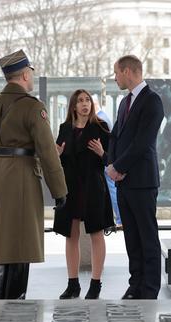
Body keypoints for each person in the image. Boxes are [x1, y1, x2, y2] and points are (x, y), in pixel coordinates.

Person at [0, 49, 67, 299]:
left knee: (2, 240)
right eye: (31, 73)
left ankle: (3, 298)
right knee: (21, 240)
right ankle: (16, 299)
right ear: (25, 74)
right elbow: (47, 152)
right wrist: (59, 191)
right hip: (22, 175)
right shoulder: (33, 107)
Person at [107, 55, 164, 300]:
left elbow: (143, 142)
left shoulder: (152, 101)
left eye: (117, 73)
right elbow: (115, 136)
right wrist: (111, 164)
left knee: (147, 237)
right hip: (124, 182)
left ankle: (150, 289)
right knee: (131, 237)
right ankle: (135, 285)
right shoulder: (124, 102)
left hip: (142, 181)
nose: (115, 77)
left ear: (128, 71)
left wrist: (119, 166)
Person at [54, 89, 114, 300]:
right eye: (80, 101)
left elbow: (111, 161)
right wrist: (58, 156)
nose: (85, 104)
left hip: (93, 188)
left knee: (96, 234)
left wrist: (102, 153)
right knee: (71, 236)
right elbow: (60, 161)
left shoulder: (101, 128)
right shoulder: (64, 128)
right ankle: (73, 285)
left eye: (87, 100)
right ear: (73, 106)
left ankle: (95, 285)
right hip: (70, 189)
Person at [94, 98, 122, 228]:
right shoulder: (103, 117)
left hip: (105, 160)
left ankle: (120, 219)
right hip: (106, 159)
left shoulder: (100, 119)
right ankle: (119, 218)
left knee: (112, 190)